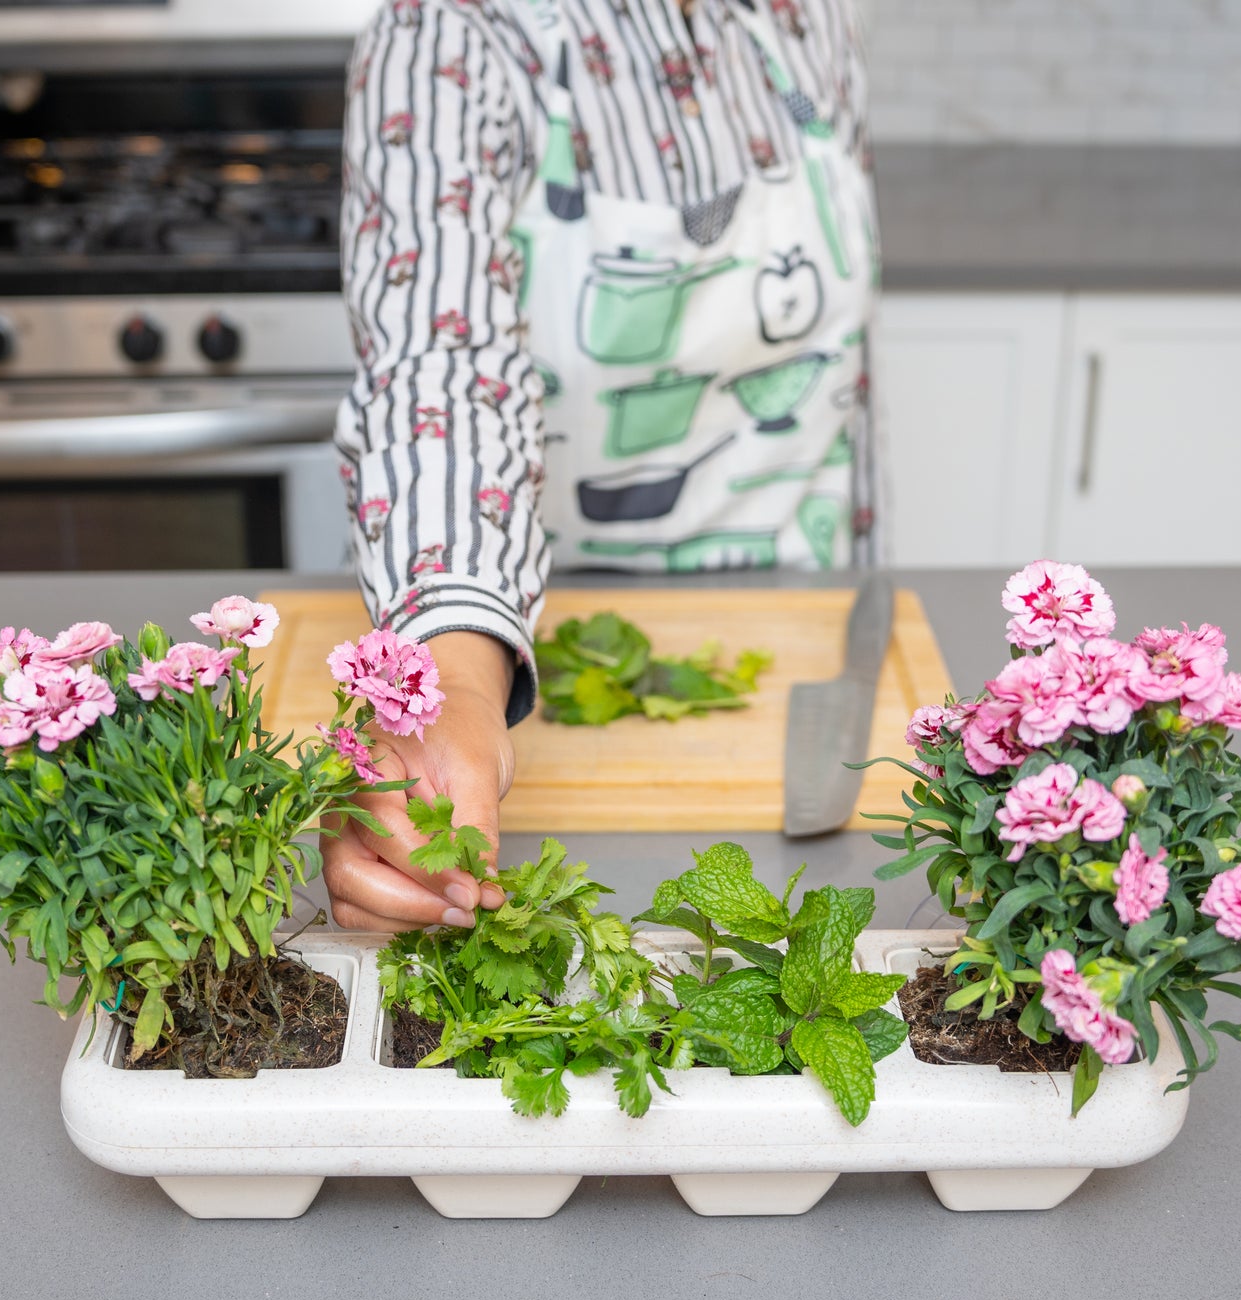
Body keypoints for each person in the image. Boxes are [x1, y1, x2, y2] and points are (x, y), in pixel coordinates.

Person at [321, 0, 881, 931]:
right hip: (534, 623)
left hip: (805, 591)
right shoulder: (444, 33)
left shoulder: (806, 15)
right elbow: (440, 365)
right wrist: (457, 681)